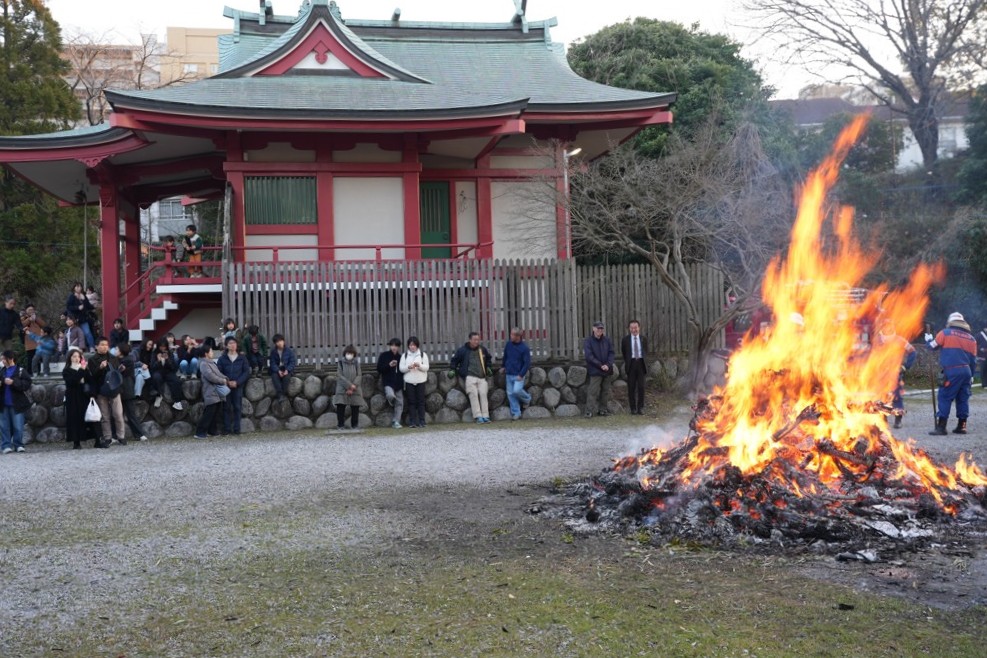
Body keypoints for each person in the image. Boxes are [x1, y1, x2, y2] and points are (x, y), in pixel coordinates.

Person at [925, 312, 978, 435]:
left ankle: (941, 427)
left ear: (950, 322)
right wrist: (971, 376)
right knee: (963, 398)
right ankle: (962, 426)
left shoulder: (945, 333)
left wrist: (928, 340)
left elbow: (932, 347)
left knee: (945, 397)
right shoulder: (972, 339)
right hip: (966, 371)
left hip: (952, 370)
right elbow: (973, 360)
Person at [87, 336, 127, 446]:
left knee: (118, 414)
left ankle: (121, 436)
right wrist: (100, 368)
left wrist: (121, 369)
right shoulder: (92, 359)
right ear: (96, 347)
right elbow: (92, 376)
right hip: (101, 389)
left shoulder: (113, 358)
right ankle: (108, 437)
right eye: (102, 345)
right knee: (105, 416)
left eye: (106, 345)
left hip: (114, 388)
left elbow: (117, 373)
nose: (105, 347)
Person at [876, 322, 916, 429]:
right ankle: (884, 421)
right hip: (883, 373)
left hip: (894, 372)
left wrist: (905, 366)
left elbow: (912, 352)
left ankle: (897, 421)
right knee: (884, 397)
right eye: (885, 327)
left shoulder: (898, 340)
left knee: (895, 396)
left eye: (888, 327)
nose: (887, 329)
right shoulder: (880, 341)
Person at [450, 331, 494, 423]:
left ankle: (486, 416)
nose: (476, 342)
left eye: (478, 339)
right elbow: (454, 360)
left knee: (483, 394)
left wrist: (489, 367)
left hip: (482, 377)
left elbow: (488, 359)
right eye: (474, 340)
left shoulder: (482, 349)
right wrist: (453, 369)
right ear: (470, 340)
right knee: (473, 394)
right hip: (470, 377)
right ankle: (478, 416)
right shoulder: (462, 350)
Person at [116, 342, 148, 442]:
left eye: (117, 349)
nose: (115, 351)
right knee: (118, 414)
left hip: (126, 389)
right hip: (120, 389)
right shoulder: (120, 359)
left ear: (121, 351)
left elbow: (119, 370)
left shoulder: (127, 360)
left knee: (130, 414)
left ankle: (139, 433)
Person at [0, 349, 31, 453]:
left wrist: (13, 382)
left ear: (11, 358)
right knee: (4, 426)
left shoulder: (21, 370)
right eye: (2, 359)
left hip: (17, 403)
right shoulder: (1, 371)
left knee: (18, 426)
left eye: (4, 358)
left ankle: (18, 444)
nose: (2, 361)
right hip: (3, 403)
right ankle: (6, 445)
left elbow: (27, 384)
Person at [217, 336, 249, 435]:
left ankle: (237, 429)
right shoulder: (222, 359)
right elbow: (218, 372)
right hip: (226, 386)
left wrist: (237, 382)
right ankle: (226, 429)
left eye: (234, 343)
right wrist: (226, 381)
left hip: (238, 386)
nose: (233, 345)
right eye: (230, 343)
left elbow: (246, 372)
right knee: (226, 407)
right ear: (226, 346)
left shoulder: (242, 358)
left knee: (237, 407)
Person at [584, 321, 616, 418]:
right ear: (593, 329)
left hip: (607, 370)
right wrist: (600, 365)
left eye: (601, 328)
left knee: (605, 391)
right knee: (592, 391)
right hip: (595, 370)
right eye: (598, 328)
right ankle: (589, 411)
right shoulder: (588, 341)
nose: (600, 330)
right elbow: (589, 356)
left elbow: (611, 353)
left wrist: (608, 364)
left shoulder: (607, 340)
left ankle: (602, 410)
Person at [195, 345, 227, 439]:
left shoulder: (211, 363)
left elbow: (218, 374)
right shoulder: (204, 364)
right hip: (210, 391)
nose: (212, 353)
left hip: (216, 391)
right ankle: (200, 432)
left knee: (214, 412)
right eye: (211, 351)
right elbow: (210, 376)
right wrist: (222, 380)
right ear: (206, 353)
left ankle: (212, 431)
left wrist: (225, 378)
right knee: (209, 413)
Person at [62, 347, 91, 449]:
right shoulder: (67, 370)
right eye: (74, 356)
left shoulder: (84, 367)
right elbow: (72, 381)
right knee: (73, 418)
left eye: (78, 356)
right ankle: (76, 441)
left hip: (83, 395)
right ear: (70, 358)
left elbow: (89, 380)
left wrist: (84, 370)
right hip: (72, 395)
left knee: (84, 416)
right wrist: (81, 370)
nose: (76, 358)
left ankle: (87, 438)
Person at [501, 327, 531, 421]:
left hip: (518, 374)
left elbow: (527, 363)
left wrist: (521, 375)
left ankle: (527, 399)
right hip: (509, 373)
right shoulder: (508, 345)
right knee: (510, 394)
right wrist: (503, 366)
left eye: (513, 334)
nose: (511, 336)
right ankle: (516, 413)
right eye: (511, 334)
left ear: (518, 336)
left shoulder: (524, 348)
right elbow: (505, 356)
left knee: (517, 391)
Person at [620, 320, 649, 415]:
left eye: (635, 327)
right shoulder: (625, 340)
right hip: (631, 364)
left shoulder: (643, 339)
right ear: (629, 329)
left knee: (641, 387)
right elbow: (624, 353)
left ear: (639, 328)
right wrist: (629, 361)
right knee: (631, 387)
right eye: (632, 328)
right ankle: (633, 408)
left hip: (641, 363)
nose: (634, 330)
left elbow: (646, 351)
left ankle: (640, 408)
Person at [333, 345, 365, 430]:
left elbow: (359, 375)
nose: (349, 355)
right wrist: (349, 386)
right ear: (345, 354)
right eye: (347, 353)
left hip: (355, 388)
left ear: (354, 354)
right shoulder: (340, 363)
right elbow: (339, 375)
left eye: (351, 353)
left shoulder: (356, 364)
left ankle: (355, 425)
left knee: (355, 407)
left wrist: (353, 386)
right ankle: (340, 425)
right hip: (342, 388)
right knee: (340, 406)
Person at [400, 336, 429, 428]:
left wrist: (419, 366)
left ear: (417, 345)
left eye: (414, 345)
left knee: (421, 401)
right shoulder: (404, 356)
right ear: (408, 346)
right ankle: (412, 421)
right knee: (411, 402)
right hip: (409, 381)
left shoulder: (423, 355)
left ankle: (422, 421)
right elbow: (401, 369)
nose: (412, 347)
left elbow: (426, 367)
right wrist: (409, 367)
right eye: (410, 345)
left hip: (420, 381)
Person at [150, 337, 185, 411]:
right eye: (161, 346)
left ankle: (177, 401)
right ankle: (158, 396)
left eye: (164, 346)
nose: (163, 348)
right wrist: (158, 361)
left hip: (168, 372)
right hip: (158, 371)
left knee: (176, 381)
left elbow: (173, 367)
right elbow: (152, 367)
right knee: (156, 377)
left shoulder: (169, 353)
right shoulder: (154, 353)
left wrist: (168, 360)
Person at [376, 338, 405, 429]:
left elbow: (403, 370)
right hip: (388, 382)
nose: (394, 347)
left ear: (399, 347)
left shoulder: (401, 357)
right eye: (392, 345)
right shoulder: (384, 355)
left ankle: (396, 421)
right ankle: (391, 400)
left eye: (396, 346)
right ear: (390, 346)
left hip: (398, 383)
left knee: (400, 403)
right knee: (390, 395)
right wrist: (389, 365)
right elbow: (379, 369)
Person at [65, 283, 95, 349]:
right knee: (75, 334)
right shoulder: (72, 296)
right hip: (74, 318)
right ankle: (75, 347)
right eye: (77, 286)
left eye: (80, 286)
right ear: (74, 288)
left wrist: (94, 306)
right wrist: (77, 307)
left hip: (83, 317)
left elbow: (88, 305)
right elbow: (68, 307)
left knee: (87, 332)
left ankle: (92, 346)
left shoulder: (83, 296)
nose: (79, 288)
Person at [269, 333, 296, 400]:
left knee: (286, 377)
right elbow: (272, 363)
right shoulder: (273, 352)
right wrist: (278, 371)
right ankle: (280, 394)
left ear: (283, 341)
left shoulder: (289, 351)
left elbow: (292, 362)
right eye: (277, 342)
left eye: (281, 341)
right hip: (277, 369)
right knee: (274, 376)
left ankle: (283, 394)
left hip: (286, 368)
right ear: (275, 343)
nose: (279, 343)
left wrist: (287, 370)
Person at [20, 304, 47, 368]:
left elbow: (44, 325)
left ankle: (38, 371)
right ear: (26, 311)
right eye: (29, 310)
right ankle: (30, 372)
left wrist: (36, 319)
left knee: (38, 358)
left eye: (32, 309)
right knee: (30, 358)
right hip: (29, 342)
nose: (31, 311)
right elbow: (21, 325)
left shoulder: (37, 318)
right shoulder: (23, 318)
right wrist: (29, 319)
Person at [976, 323, 987, 389]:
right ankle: (984, 384)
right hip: (982, 356)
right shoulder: (978, 335)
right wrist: (981, 349)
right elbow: (975, 345)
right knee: (983, 370)